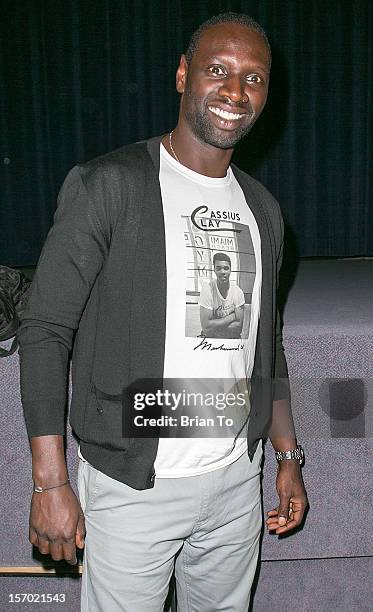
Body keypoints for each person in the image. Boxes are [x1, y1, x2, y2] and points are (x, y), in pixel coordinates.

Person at [19, 11, 308, 612]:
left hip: (235, 485)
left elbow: (265, 344)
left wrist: (286, 456)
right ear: (183, 75)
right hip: (133, 484)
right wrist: (50, 482)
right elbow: (45, 330)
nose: (235, 91)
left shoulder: (264, 210)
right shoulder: (110, 186)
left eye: (254, 79)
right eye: (218, 71)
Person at [199, 252, 245, 338]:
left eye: (226, 268)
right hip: (212, 340)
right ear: (214, 270)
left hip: (231, 339)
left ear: (230, 270)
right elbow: (206, 327)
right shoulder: (207, 290)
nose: (222, 272)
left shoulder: (238, 292)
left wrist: (214, 326)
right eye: (219, 268)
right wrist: (231, 317)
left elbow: (238, 327)